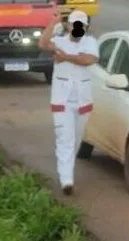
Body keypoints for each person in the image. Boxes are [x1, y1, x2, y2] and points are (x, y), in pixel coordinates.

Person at [38, 10, 99, 196]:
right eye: (75, 25)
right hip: (62, 102)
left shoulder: (91, 43)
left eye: (82, 25)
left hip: (83, 102)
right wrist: (53, 22)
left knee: (76, 139)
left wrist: (66, 57)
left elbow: (88, 60)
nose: (78, 28)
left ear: (86, 27)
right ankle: (67, 180)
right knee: (65, 139)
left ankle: (66, 168)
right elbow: (42, 44)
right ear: (69, 26)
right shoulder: (59, 41)